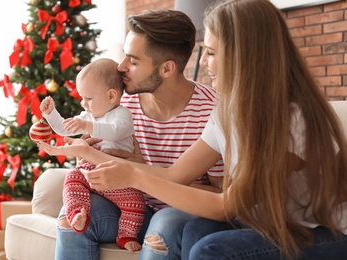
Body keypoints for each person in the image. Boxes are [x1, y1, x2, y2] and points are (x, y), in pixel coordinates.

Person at [38, 0, 347, 259]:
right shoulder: (228, 111)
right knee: (193, 231)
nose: (206, 63)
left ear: (245, 56)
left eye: (211, 53)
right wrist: (88, 151)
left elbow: (225, 203)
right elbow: (175, 175)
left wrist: (134, 174)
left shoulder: (292, 119)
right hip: (266, 223)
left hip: (320, 232)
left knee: (206, 248)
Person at [39, 9, 224, 260]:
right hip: (125, 205)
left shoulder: (211, 112)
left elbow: (221, 196)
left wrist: (140, 171)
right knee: (71, 215)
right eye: (125, 56)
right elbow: (86, 138)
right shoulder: (120, 103)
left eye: (133, 60)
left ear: (167, 68)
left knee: (164, 226)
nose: (120, 66)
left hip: (177, 213)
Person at [39, 58, 146, 252]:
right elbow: (64, 128)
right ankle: (78, 214)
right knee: (72, 177)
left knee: (136, 203)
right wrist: (51, 114)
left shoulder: (122, 115)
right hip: (89, 171)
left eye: (88, 98)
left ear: (111, 96)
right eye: (82, 98)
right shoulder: (87, 116)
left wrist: (87, 126)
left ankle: (126, 234)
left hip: (117, 178)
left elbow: (116, 131)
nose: (84, 104)